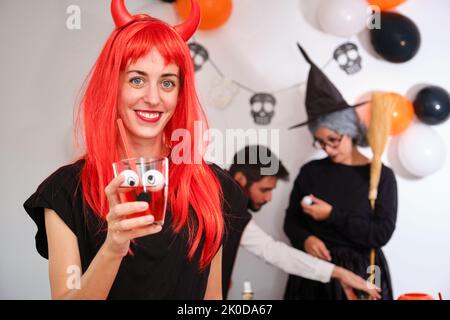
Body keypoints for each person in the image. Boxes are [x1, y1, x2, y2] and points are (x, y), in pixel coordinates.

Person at [23, 0, 246, 300]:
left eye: (167, 83)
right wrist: (113, 247)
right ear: (111, 84)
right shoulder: (65, 192)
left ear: (180, 93)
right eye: (137, 79)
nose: (153, 98)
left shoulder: (212, 187)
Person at [284, 44, 397, 300]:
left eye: (333, 140)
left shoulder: (380, 176)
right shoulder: (311, 172)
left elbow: (380, 234)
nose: (328, 149)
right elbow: (291, 221)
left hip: (363, 273)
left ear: (350, 132)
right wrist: (306, 239)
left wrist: (332, 215)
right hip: (314, 274)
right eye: (321, 142)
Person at [222, 145, 381, 300]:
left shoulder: (232, 211)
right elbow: (272, 251)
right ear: (241, 179)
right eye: (265, 190)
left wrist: (338, 273)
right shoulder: (224, 208)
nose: (269, 198)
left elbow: (273, 251)